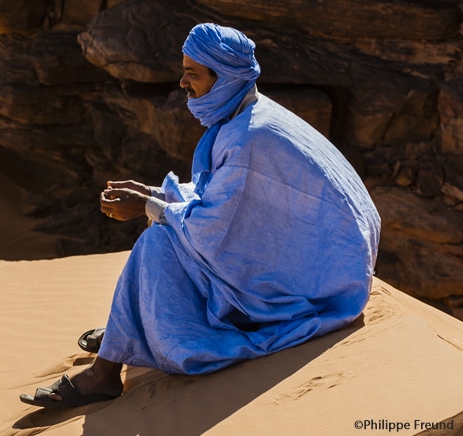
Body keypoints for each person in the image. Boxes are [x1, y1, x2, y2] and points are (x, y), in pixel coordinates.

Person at [20, 23, 381, 408]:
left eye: (192, 73)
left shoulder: (248, 138)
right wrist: (154, 194)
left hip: (320, 282)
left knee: (159, 242)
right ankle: (131, 328)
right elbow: (227, 203)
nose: (182, 83)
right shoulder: (251, 113)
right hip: (324, 262)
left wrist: (148, 206)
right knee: (167, 230)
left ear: (222, 77)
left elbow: (210, 229)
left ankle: (103, 375)